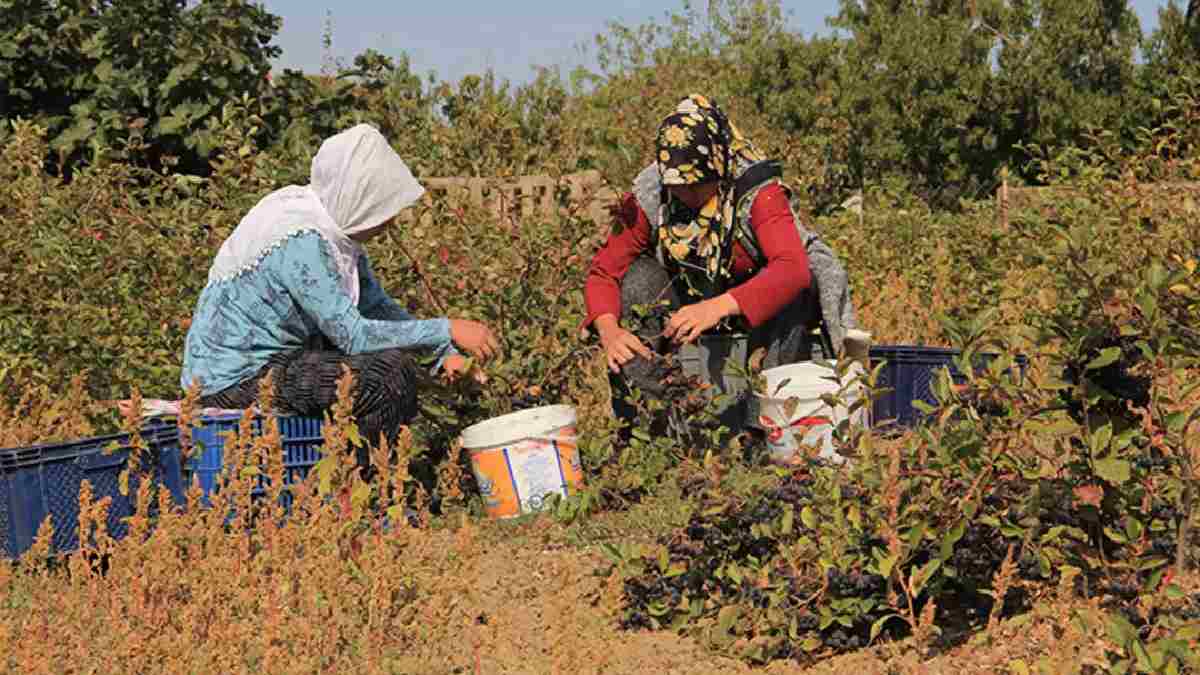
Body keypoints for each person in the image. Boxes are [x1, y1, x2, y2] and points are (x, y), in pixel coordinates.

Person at [180, 123, 499, 455]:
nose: (389, 221)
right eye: (383, 208)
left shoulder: (333, 235)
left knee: (383, 367)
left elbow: (376, 308)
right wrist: (447, 328)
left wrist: (443, 355)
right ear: (358, 199)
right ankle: (363, 486)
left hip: (274, 368)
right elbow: (355, 336)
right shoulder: (301, 238)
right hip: (232, 384)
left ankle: (353, 479)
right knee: (385, 374)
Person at [581, 94, 858, 435]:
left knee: (798, 291)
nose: (688, 196)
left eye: (698, 186)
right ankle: (656, 425)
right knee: (637, 280)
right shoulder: (651, 195)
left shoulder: (758, 192)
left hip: (752, 301)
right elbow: (604, 272)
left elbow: (792, 268)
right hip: (686, 297)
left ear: (718, 167)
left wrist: (717, 307)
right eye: (679, 188)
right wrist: (609, 331)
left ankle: (764, 426)